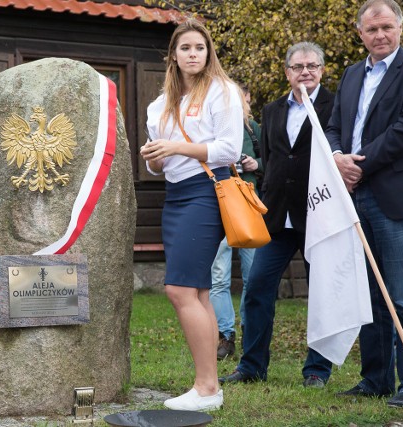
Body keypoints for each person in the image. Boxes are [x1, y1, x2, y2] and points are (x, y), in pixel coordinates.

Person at [326, 0, 403, 408]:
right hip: (353, 194)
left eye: (387, 27)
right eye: (372, 30)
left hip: (394, 193)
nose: (380, 36)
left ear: (400, 28)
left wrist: (360, 165)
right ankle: (375, 379)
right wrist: (337, 157)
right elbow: (335, 125)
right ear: (360, 34)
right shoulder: (353, 74)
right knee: (369, 296)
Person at [140, 19, 245, 411]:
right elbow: (160, 165)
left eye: (199, 47)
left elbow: (229, 150)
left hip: (207, 191)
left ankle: (206, 388)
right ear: (173, 55)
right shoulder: (158, 105)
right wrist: (154, 158)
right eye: (185, 48)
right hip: (176, 194)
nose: (193, 54)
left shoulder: (223, 91)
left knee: (179, 289)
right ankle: (208, 386)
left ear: (208, 52)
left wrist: (177, 147)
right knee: (197, 291)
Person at [219, 41, 334, 388]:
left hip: (319, 214)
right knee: (256, 289)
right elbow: (270, 161)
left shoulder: (336, 106)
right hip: (277, 217)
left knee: (322, 293)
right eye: (298, 67)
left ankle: (317, 369)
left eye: (312, 66)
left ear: (322, 70)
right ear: (287, 72)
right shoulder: (271, 111)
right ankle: (252, 366)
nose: (305, 72)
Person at [210, 84, 262, 359]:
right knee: (218, 275)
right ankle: (225, 335)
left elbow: (274, 160)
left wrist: (257, 164)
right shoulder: (211, 126)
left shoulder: (253, 128)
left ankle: (251, 332)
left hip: (249, 205)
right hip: (218, 204)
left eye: (245, 98)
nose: (241, 103)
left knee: (253, 276)